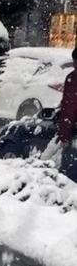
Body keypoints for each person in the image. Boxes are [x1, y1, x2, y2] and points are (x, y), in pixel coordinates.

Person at [57, 46, 77, 181]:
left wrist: (64, 135)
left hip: (75, 134)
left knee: (69, 176)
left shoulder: (73, 79)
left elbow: (69, 109)